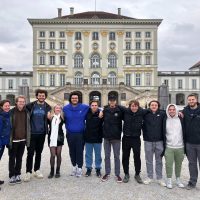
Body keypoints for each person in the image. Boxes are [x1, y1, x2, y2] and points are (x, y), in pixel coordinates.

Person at [24, 89, 51, 182]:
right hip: (31, 133)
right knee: (30, 153)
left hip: (42, 133)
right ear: (36, 96)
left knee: (39, 152)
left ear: (45, 96)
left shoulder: (47, 107)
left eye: (43, 95)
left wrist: (50, 119)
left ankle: (36, 170)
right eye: (39, 95)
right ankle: (28, 171)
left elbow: (50, 120)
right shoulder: (30, 106)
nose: (41, 97)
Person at [63, 92, 89, 177]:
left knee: (79, 151)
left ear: (78, 99)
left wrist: (101, 112)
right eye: (73, 98)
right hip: (70, 133)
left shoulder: (84, 107)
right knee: (72, 151)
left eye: (76, 98)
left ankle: (80, 168)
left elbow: (95, 109)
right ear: (70, 99)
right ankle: (74, 166)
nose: (74, 99)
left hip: (80, 134)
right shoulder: (66, 108)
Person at [142, 100, 166, 186]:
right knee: (149, 160)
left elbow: (172, 114)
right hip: (148, 141)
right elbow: (139, 111)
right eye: (152, 105)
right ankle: (150, 177)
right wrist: (147, 110)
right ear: (149, 106)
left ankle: (159, 178)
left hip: (159, 141)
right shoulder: (145, 114)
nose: (154, 106)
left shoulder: (163, 114)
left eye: (155, 105)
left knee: (159, 160)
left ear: (158, 106)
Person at [8, 96, 31, 185]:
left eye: (23, 102)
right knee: (12, 158)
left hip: (23, 139)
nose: (21, 103)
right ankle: (11, 175)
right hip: (13, 140)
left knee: (19, 158)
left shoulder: (27, 112)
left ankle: (17, 174)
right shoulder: (11, 112)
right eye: (20, 101)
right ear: (16, 102)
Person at [101, 95, 124, 183]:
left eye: (113, 100)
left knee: (116, 156)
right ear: (108, 101)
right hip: (106, 137)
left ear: (116, 101)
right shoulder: (105, 110)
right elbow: (100, 120)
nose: (112, 102)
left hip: (116, 137)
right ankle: (107, 173)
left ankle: (117, 174)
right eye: (110, 100)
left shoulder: (119, 110)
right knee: (107, 156)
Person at [163, 104, 185, 189]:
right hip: (169, 146)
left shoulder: (181, 118)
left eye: (173, 109)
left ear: (176, 110)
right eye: (170, 109)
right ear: (167, 111)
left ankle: (178, 180)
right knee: (168, 164)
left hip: (180, 146)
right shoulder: (165, 119)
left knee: (179, 164)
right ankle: (169, 180)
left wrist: (181, 112)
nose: (171, 111)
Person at [122, 100, 144, 184]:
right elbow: (116, 106)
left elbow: (150, 110)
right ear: (129, 106)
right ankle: (126, 173)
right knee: (125, 156)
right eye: (132, 106)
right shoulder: (126, 112)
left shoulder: (141, 112)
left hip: (136, 138)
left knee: (137, 156)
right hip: (126, 138)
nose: (134, 108)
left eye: (135, 106)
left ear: (138, 107)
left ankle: (137, 174)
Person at [183, 93, 200, 190]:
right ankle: (192, 182)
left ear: (196, 100)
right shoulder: (185, 111)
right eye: (189, 100)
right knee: (192, 164)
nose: (191, 101)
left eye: (192, 99)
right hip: (189, 143)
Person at [84, 100, 103, 177]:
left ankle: (98, 169)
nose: (94, 106)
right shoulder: (86, 113)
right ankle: (89, 169)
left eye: (95, 105)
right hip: (88, 136)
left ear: (98, 106)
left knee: (98, 155)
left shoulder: (101, 113)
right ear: (90, 106)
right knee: (88, 154)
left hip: (98, 137)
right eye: (92, 105)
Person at [48, 104, 65, 179]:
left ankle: (57, 171)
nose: (58, 109)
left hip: (60, 137)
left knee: (58, 154)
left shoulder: (62, 117)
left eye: (59, 108)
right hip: (51, 137)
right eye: (56, 108)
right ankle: (52, 171)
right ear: (54, 109)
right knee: (52, 155)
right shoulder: (50, 117)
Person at [0, 99, 11, 190]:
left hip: (5, 142)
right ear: (1, 107)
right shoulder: (1, 117)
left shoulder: (8, 115)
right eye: (5, 106)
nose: (7, 107)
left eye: (8, 105)